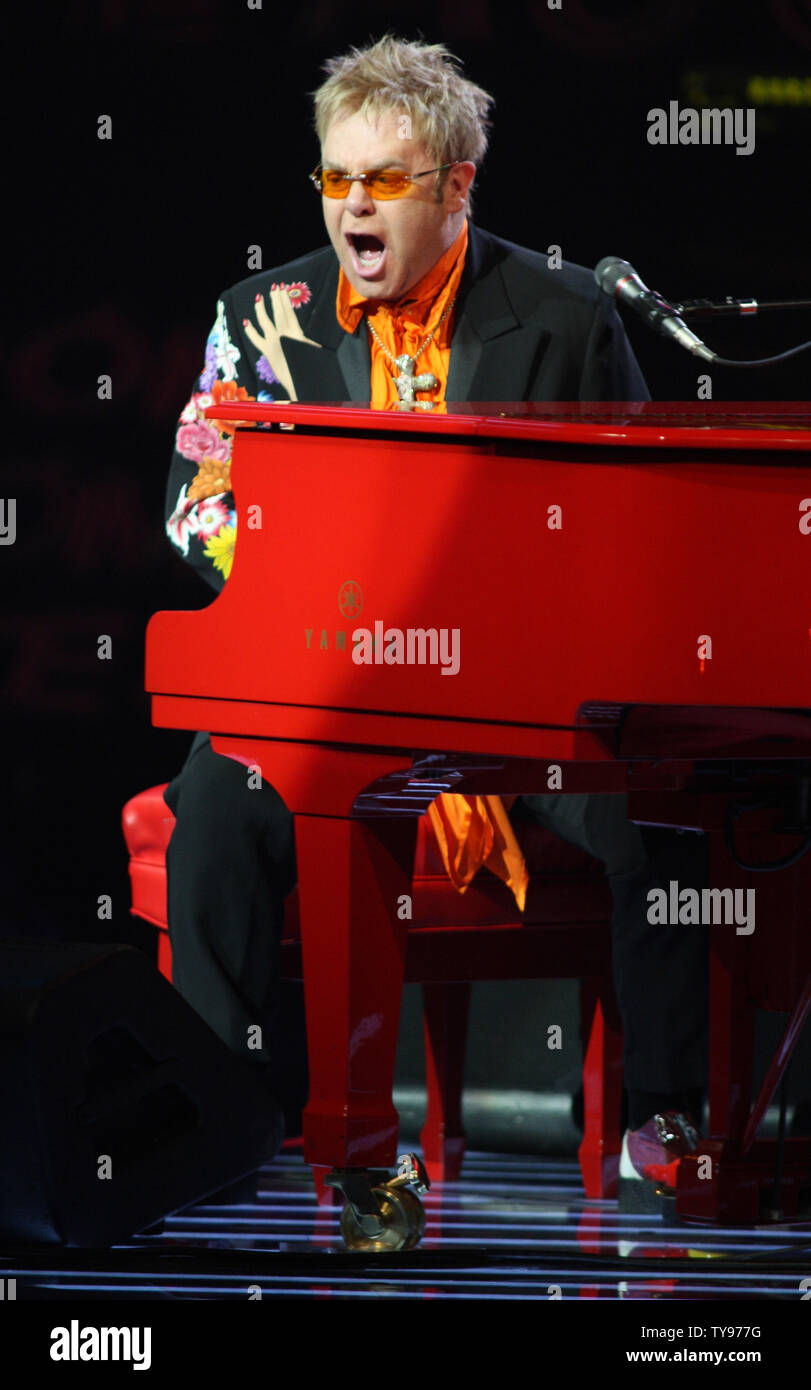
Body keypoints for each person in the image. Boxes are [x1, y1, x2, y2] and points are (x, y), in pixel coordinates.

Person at [163, 34, 708, 1212]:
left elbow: (637, 530)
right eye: (335, 178)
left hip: (522, 707)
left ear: (456, 187)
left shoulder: (562, 317)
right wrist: (315, 584)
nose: (354, 205)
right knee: (218, 801)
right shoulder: (265, 319)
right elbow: (195, 509)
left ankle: (660, 1117)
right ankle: (217, 1111)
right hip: (330, 690)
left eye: (386, 180)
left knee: (659, 814)